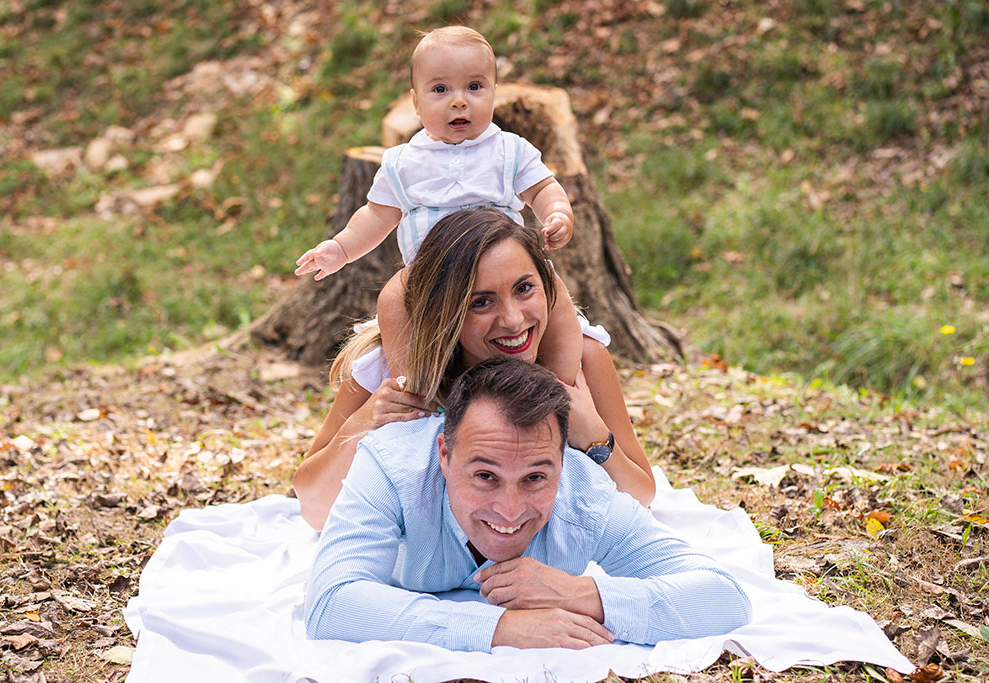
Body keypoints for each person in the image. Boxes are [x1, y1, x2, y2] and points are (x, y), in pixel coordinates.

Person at [305, 358, 752, 651]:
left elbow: (724, 597)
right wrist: (497, 629)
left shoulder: (585, 493)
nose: (510, 508)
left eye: (536, 478)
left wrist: (583, 594)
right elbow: (331, 603)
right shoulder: (390, 465)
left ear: (563, 463)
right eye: (485, 477)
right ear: (443, 453)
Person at [292, 208, 656, 529]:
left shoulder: (583, 361)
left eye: (524, 289)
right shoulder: (389, 370)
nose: (514, 321)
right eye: (481, 302)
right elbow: (315, 511)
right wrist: (365, 420)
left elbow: (641, 498)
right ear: (444, 313)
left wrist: (592, 433)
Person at [293, 25, 583, 386]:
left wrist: (557, 212)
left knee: (551, 288)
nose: (459, 101)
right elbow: (377, 215)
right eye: (441, 89)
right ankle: (412, 385)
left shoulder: (509, 150)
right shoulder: (402, 162)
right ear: (416, 103)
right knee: (395, 297)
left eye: (475, 87)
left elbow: (542, 188)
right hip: (432, 275)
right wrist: (340, 248)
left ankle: (563, 381)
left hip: (499, 267)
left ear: (494, 93)